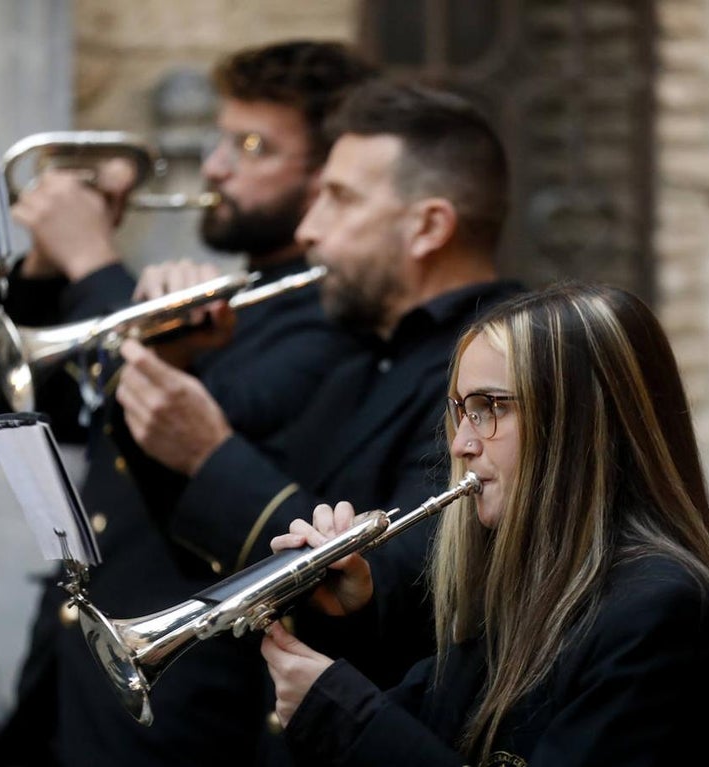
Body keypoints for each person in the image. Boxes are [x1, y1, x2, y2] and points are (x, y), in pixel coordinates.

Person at [0, 41, 377, 766]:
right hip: (66, 695)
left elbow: (179, 426)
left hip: (177, 717)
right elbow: (15, 403)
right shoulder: (236, 300)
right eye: (222, 138)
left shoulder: (333, 322)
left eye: (252, 146)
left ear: (327, 176)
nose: (216, 165)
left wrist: (93, 259)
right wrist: (45, 259)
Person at [113, 79, 523, 760]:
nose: (307, 230)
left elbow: (427, 589)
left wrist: (211, 455)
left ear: (428, 226)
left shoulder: (497, 369)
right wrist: (174, 362)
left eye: (339, 200)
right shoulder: (360, 350)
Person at [260, 283, 709, 766]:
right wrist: (347, 613)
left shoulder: (658, 610)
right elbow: (421, 729)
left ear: (579, 425)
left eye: (490, 408)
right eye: (461, 410)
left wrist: (342, 718)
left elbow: (376, 736)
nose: (461, 445)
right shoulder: (530, 590)